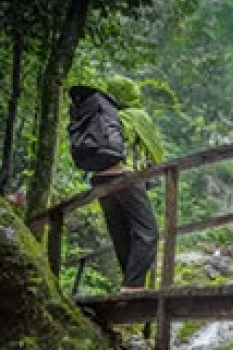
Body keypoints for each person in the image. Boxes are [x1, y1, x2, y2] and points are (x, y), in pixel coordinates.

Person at [73, 76, 164, 293]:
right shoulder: (136, 116)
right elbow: (155, 150)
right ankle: (133, 285)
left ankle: (130, 284)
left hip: (99, 180)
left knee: (121, 233)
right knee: (147, 231)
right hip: (125, 177)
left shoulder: (101, 116)